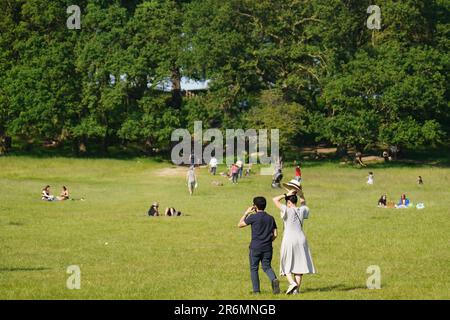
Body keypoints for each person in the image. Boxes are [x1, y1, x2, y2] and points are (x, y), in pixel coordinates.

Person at [273, 191, 316, 295]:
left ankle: (292, 283)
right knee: (299, 265)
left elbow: (275, 200)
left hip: (289, 239)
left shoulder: (287, 210)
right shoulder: (302, 210)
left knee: (285, 263)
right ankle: (296, 290)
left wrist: (285, 194)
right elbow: (304, 203)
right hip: (301, 239)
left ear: (288, 202)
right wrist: (301, 194)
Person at [238, 196, 280, 295]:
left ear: (255, 206)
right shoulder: (270, 218)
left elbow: (240, 224)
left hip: (255, 247)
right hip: (268, 247)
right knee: (267, 267)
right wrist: (269, 241)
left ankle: (256, 291)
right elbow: (275, 234)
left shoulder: (253, 217)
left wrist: (246, 213)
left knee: (254, 268)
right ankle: (274, 279)